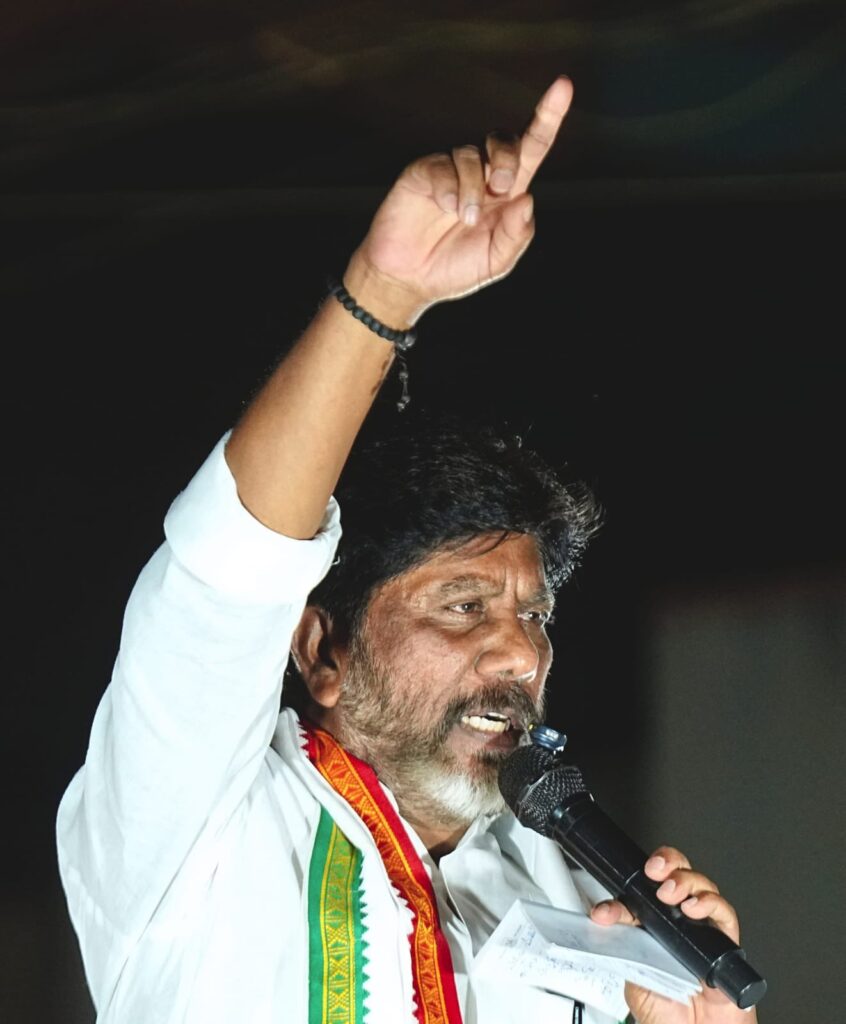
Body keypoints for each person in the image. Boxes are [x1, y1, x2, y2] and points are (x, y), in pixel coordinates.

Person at [56, 76, 759, 1024]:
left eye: (536, 614)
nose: (522, 654)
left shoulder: (567, 902)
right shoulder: (200, 824)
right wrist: (384, 290)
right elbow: (229, 568)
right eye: (463, 605)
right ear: (324, 651)